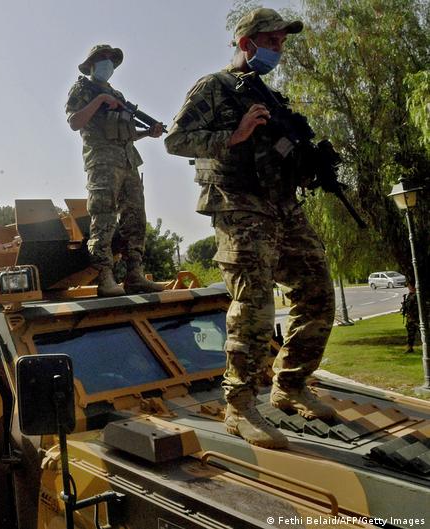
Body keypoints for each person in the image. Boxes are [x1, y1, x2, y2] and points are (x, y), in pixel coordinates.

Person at [165, 7, 336, 449]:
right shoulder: (215, 87)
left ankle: (291, 385)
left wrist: (309, 165)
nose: (279, 49)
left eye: (282, 42)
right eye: (273, 41)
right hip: (239, 206)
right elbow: (175, 139)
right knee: (255, 305)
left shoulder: (269, 96)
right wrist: (233, 135)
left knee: (317, 291)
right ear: (247, 43)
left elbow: (280, 149)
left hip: (282, 205)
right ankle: (239, 407)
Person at [65, 44, 165, 296]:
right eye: (103, 58)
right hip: (102, 163)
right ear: (91, 64)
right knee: (104, 218)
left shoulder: (118, 95)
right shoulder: (83, 89)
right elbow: (74, 122)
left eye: (111, 59)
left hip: (129, 162)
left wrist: (148, 132)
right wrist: (99, 99)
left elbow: (126, 135)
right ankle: (105, 277)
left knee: (135, 219)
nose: (108, 63)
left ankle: (135, 274)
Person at [402, 283, 421, 353]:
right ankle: (409, 348)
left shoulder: (417, 295)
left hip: (417, 318)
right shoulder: (409, 295)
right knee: (410, 334)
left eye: (410, 286)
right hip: (410, 318)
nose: (408, 287)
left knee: (423, 333)